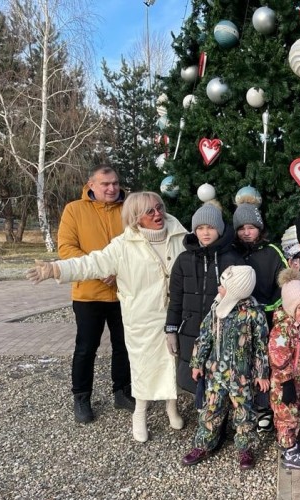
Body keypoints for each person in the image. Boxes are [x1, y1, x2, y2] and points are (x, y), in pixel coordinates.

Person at [27, 192, 188, 442]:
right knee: (144, 367)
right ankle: (140, 414)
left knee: (174, 362)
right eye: (150, 211)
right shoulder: (122, 245)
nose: (158, 214)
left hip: (175, 315)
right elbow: (91, 263)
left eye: (159, 208)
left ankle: (171, 408)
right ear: (136, 218)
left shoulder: (180, 235)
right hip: (142, 318)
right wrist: (55, 268)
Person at [56, 164, 134, 423]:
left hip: (124, 291)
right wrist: (99, 269)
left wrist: (120, 269)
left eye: (115, 183)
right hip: (89, 293)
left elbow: (140, 244)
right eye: (105, 184)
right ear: (91, 185)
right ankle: (81, 397)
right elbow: (67, 247)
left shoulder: (129, 208)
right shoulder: (74, 210)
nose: (112, 188)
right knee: (86, 347)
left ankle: (122, 390)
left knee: (124, 345)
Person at [181, 265, 270, 469]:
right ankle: (203, 444)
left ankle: (244, 449)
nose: (219, 287)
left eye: (224, 285)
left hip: (242, 375)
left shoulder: (253, 314)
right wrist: (197, 363)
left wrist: (261, 372)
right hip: (215, 374)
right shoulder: (217, 308)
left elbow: (260, 346)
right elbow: (204, 336)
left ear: (236, 290)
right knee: (210, 409)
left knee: (244, 413)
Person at [166, 203, 243, 396]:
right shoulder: (183, 260)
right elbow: (175, 299)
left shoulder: (233, 259)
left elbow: (242, 300)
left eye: (210, 227)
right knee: (195, 380)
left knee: (221, 380)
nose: (205, 233)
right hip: (190, 330)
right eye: (200, 228)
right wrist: (171, 329)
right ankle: (203, 416)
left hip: (222, 330)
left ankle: (220, 420)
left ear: (219, 229)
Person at [232, 200, 287, 432]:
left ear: (260, 228)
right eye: (242, 228)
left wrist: (271, 307)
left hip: (266, 313)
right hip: (240, 316)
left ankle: (265, 407)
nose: (247, 232)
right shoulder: (233, 252)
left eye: (251, 227)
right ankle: (246, 406)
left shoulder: (271, 252)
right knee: (244, 359)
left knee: (264, 361)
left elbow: (284, 280)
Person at [267, 269, 300, 470]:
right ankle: (290, 453)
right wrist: (286, 381)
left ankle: (290, 443)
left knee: (293, 414)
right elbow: (279, 358)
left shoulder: (297, 326)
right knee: (287, 417)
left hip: (295, 382)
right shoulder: (282, 329)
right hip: (284, 384)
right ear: (289, 307)